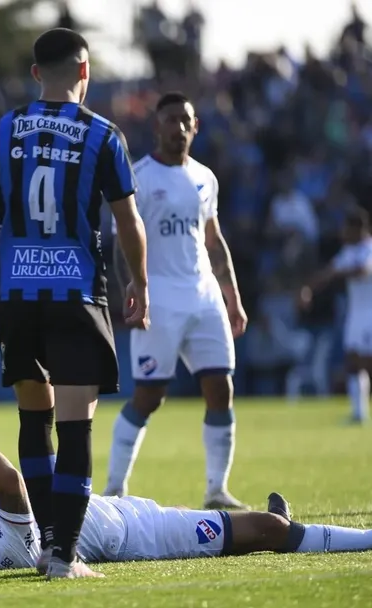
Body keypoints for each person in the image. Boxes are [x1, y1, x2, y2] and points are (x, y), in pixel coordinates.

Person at [0, 27, 149, 579]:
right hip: (76, 294)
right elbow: (128, 221)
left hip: (16, 293)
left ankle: (47, 544)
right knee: (76, 425)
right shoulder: (102, 134)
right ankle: (65, 555)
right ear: (84, 71)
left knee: (32, 415)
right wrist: (139, 280)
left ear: (36, 73)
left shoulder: (0, 132)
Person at [0, 389, 372, 573]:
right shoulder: (3, 546)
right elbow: (12, 482)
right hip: (133, 536)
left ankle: (269, 525)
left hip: (112, 508)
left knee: (239, 525)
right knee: (265, 531)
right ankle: (362, 539)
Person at [104, 92, 249, 509]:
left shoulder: (205, 178)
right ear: (157, 125)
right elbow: (121, 244)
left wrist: (232, 297)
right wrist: (131, 289)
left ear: (195, 126)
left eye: (185, 121)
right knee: (149, 396)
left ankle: (216, 490)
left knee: (221, 387)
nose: (178, 128)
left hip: (204, 296)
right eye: (170, 120)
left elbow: (213, 239)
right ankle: (115, 488)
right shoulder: (139, 177)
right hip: (159, 297)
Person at [299, 206, 372, 424]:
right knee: (352, 363)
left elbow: (364, 271)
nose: (343, 233)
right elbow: (329, 272)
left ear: (358, 228)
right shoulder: (349, 250)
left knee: (365, 363)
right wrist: (308, 289)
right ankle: (359, 413)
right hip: (356, 313)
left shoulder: (368, 248)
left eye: (346, 229)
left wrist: (340, 273)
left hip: (370, 313)